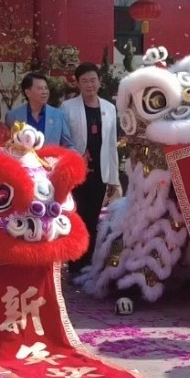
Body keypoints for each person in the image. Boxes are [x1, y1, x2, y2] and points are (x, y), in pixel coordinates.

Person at [59, 64, 120, 273]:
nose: (89, 85)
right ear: (77, 83)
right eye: (84, 81)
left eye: (93, 80)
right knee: (77, 216)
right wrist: (77, 155)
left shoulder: (109, 108)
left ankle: (89, 264)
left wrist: (114, 178)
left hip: (100, 172)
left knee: (93, 218)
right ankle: (75, 264)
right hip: (78, 171)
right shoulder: (68, 107)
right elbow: (64, 138)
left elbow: (112, 145)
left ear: (99, 81)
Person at [5, 72, 75, 148]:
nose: (45, 92)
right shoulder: (12, 116)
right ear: (27, 92)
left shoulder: (59, 116)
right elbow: (8, 145)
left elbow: (68, 145)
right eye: (40, 88)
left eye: (46, 88)